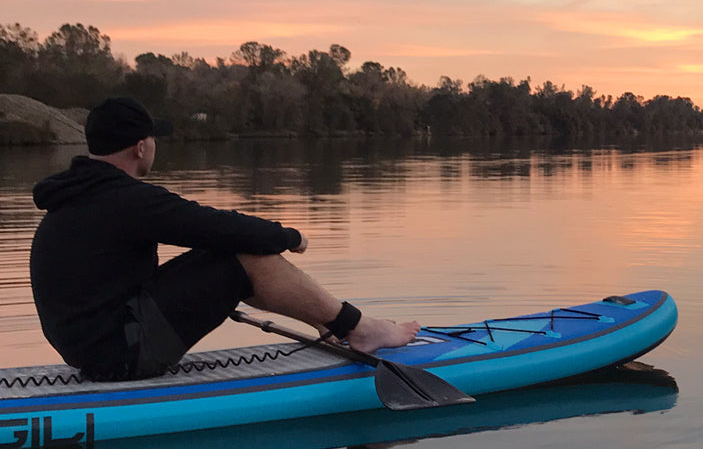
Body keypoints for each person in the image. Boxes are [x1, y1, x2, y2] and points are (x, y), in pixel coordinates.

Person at [29, 97, 419, 381]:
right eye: (153, 139)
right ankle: (359, 328)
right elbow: (214, 224)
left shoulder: (75, 196)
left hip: (92, 349)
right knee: (244, 257)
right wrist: (287, 235)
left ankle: (332, 325)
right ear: (140, 146)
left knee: (223, 256)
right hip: (120, 356)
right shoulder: (125, 199)